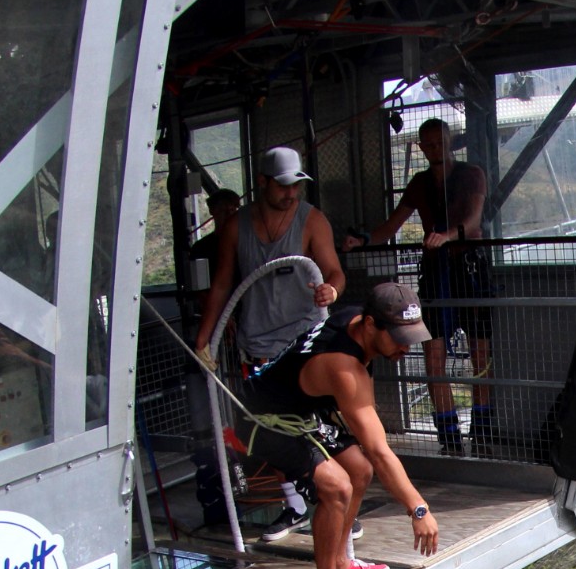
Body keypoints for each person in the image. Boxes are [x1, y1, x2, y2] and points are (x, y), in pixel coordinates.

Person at [230, 281, 444, 569]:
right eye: (401, 340)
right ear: (371, 324)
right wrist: (418, 509)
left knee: (358, 470)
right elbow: (378, 448)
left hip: (297, 409)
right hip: (262, 421)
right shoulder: (343, 368)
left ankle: (341, 563)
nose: (406, 349)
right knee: (336, 486)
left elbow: (369, 451)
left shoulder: (354, 319)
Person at [366, 118, 493, 454]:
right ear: (422, 147)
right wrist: (362, 240)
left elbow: (474, 220)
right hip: (437, 272)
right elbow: (392, 224)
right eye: (429, 145)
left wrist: (446, 237)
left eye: (441, 143)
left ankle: (482, 432)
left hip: (470, 269)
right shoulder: (420, 183)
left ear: (450, 142)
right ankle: (449, 438)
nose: (436, 150)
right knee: (433, 355)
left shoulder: (471, 174)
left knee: (481, 353)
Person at [194, 149, 344, 367]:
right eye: (283, 186)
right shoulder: (235, 226)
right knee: (258, 401)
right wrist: (203, 338)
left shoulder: (313, 221)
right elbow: (221, 285)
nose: (291, 193)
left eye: (296, 185)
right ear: (263, 181)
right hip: (257, 346)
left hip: (305, 341)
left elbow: (335, 273)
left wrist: (332, 291)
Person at [186, 188, 241, 284]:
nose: (229, 215)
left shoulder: (249, 243)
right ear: (212, 211)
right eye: (222, 210)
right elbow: (200, 289)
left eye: (232, 210)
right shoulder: (200, 249)